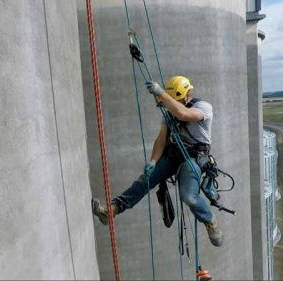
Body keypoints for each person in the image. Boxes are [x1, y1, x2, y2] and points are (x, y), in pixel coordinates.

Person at [91, 76, 223, 247]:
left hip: (194, 157)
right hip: (174, 155)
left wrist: (161, 94)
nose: (174, 102)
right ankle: (111, 210)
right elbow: (161, 139)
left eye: (176, 99)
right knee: (145, 180)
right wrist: (153, 161)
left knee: (188, 196)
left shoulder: (203, 107)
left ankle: (210, 220)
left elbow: (183, 114)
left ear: (187, 94)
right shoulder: (169, 112)